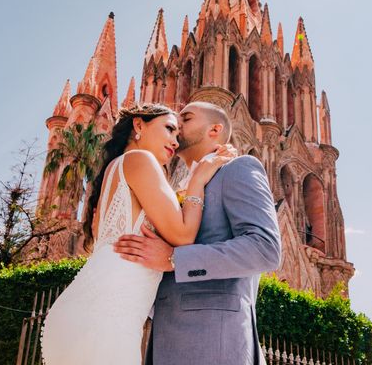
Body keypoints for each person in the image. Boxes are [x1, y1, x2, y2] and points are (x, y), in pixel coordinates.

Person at [40, 103, 235, 365]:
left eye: (177, 134)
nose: (175, 142)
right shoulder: (140, 160)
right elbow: (183, 235)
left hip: (90, 312)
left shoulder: (120, 167)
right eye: (168, 129)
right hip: (105, 318)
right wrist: (198, 180)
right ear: (139, 125)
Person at [114, 101, 282, 365]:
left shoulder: (238, 169)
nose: (176, 125)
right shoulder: (176, 188)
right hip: (163, 339)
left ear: (214, 130)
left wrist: (174, 259)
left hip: (214, 341)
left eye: (187, 118)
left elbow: (265, 249)